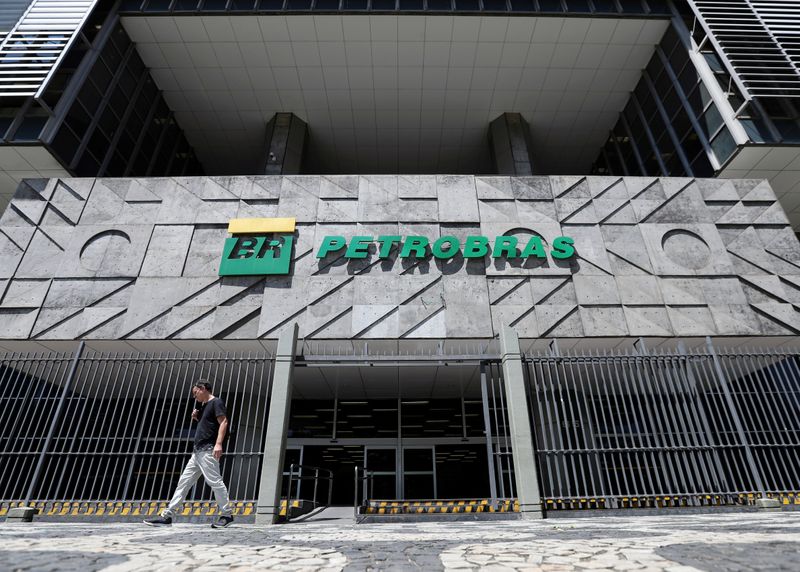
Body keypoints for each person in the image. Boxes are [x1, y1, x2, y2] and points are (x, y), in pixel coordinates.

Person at [144, 380, 234, 528]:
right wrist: (197, 417)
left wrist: (218, 444)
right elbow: (209, 425)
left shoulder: (216, 402)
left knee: (215, 482)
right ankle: (167, 516)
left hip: (208, 450)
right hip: (197, 452)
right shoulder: (203, 406)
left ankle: (227, 514)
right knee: (183, 483)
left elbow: (223, 422)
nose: (194, 396)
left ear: (203, 389)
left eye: (195, 392)